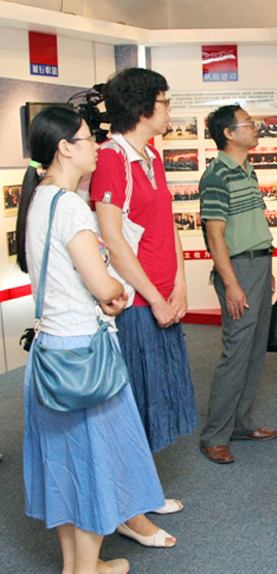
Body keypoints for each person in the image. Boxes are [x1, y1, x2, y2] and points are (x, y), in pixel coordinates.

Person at [17, 106, 165, 574]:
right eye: (87, 138)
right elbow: (103, 285)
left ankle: (79, 565)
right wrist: (116, 291)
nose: (97, 147)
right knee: (98, 467)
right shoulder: (70, 207)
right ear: (65, 148)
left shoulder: (39, 199)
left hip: (50, 352)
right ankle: (85, 570)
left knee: (64, 468)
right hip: (85, 356)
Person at [88, 67, 198, 547]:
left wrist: (180, 284)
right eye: (165, 101)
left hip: (161, 296)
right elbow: (112, 239)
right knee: (128, 406)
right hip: (135, 303)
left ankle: (141, 490)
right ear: (143, 106)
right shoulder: (112, 158)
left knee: (153, 399)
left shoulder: (150, 154)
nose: (169, 110)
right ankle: (126, 511)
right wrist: (154, 297)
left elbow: (167, 224)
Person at [198, 105, 277, 465]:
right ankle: (214, 436)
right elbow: (215, 237)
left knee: (255, 350)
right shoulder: (217, 175)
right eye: (248, 124)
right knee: (236, 354)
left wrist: (266, 267)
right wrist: (232, 284)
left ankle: (240, 424)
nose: (256, 128)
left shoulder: (247, 168)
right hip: (238, 270)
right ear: (229, 133)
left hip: (258, 264)